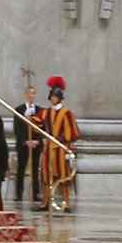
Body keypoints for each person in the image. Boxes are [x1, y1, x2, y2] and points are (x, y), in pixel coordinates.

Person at [37, 77, 80, 215]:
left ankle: (66, 202)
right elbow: (37, 123)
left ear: (60, 98)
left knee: (63, 175)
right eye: (52, 97)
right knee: (46, 175)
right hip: (49, 148)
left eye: (55, 97)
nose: (53, 99)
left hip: (61, 148)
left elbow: (72, 131)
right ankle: (46, 201)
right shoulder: (46, 112)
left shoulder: (67, 113)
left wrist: (62, 139)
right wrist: (30, 118)